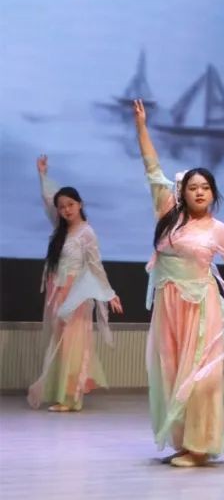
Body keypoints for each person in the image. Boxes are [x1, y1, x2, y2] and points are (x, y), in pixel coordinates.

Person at [133, 99, 224, 467]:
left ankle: (200, 446)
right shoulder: (168, 216)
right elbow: (152, 168)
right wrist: (141, 127)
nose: (199, 192)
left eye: (205, 187)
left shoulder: (218, 230)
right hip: (169, 307)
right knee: (170, 374)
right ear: (182, 192)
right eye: (193, 187)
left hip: (200, 309)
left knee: (199, 378)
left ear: (213, 193)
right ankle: (185, 441)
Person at [27, 154, 123, 412]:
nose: (66, 210)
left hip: (75, 295)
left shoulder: (86, 233)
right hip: (57, 292)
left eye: (70, 204)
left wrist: (110, 293)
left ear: (80, 204)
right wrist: (43, 175)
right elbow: (49, 198)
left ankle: (71, 398)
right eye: (62, 207)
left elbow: (95, 265)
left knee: (72, 346)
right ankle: (63, 394)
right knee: (59, 345)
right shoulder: (61, 229)